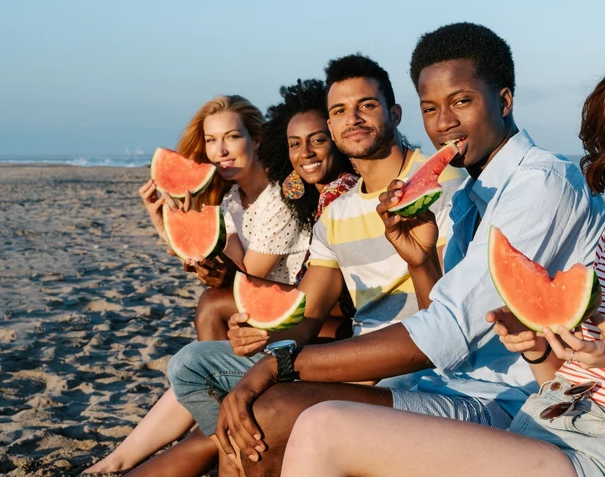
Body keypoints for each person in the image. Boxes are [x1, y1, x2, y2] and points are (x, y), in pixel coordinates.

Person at [278, 51, 605, 477]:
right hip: (546, 421)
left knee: (323, 428)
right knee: (320, 425)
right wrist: (539, 350)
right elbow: (569, 377)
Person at [211, 23, 605, 477]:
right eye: (430, 108)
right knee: (257, 425)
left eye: (462, 101)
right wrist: (420, 261)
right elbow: (445, 322)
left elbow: (447, 332)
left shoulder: (541, 185)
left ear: (503, 101)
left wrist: (279, 363)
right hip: (454, 386)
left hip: (515, 406)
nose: (444, 123)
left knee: (271, 410)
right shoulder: (467, 197)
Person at [162, 54, 465, 477]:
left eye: (367, 105)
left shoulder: (448, 187)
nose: (352, 119)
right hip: (350, 359)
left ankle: (254, 457)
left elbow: (448, 318)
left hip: (411, 365)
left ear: (394, 113)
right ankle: (253, 457)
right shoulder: (335, 213)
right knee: (190, 365)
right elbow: (307, 314)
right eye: (339, 111)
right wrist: (263, 331)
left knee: (259, 409)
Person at [85, 86, 356, 475]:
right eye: (212, 141)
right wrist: (165, 224)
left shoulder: (281, 196)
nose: (221, 150)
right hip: (272, 314)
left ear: (257, 140)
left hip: (307, 316)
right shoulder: (231, 199)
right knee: (210, 311)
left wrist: (201, 250)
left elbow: (246, 281)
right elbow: (209, 264)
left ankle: (189, 429)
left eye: (232, 137)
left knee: (212, 307)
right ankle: (135, 451)